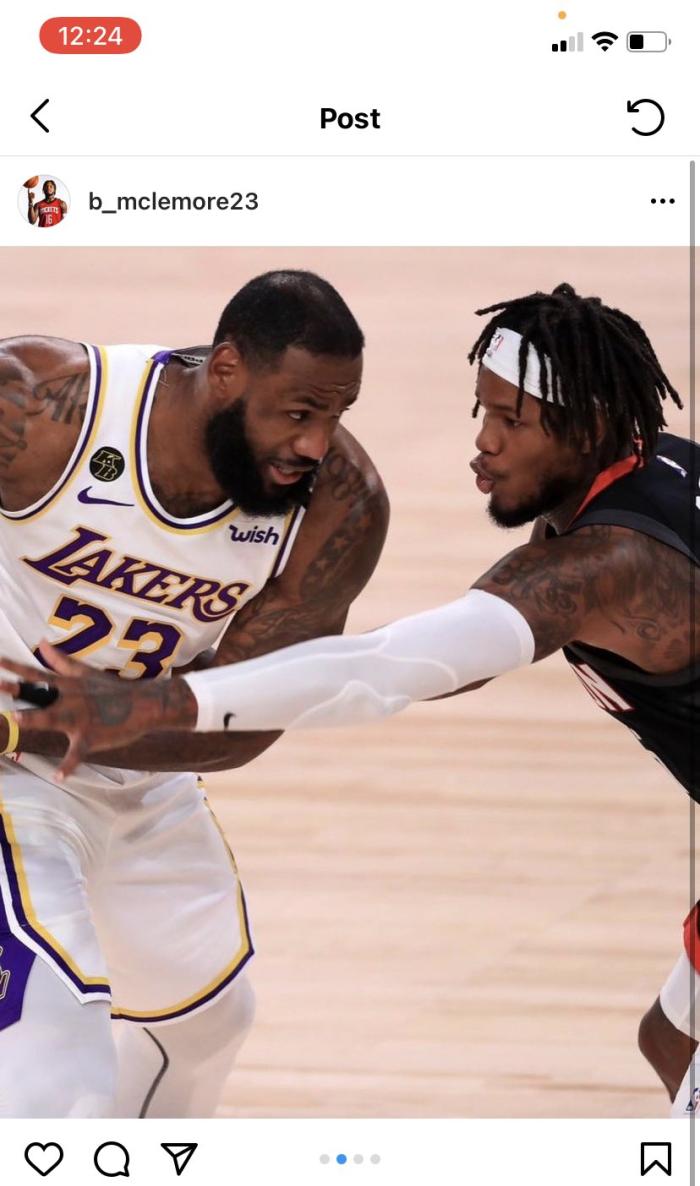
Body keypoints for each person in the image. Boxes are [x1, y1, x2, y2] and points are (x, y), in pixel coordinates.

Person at [13, 285, 696, 1116]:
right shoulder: (659, 471)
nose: (483, 442)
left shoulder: (606, 564)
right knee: (671, 1038)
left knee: (199, 1025)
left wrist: (152, 707)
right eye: (483, 410)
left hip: (122, 770)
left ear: (585, 429)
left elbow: (387, 668)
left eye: (511, 422)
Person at [0, 269, 389, 1117]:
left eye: (336, 415)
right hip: (8, 774)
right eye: (298, 412)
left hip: (139, 762)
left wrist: (49, 724)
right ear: (226, 371)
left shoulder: (339, 507)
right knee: (52, 1053)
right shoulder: (46, 409)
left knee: (206, 1024)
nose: (316, 444)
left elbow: (249, 721)